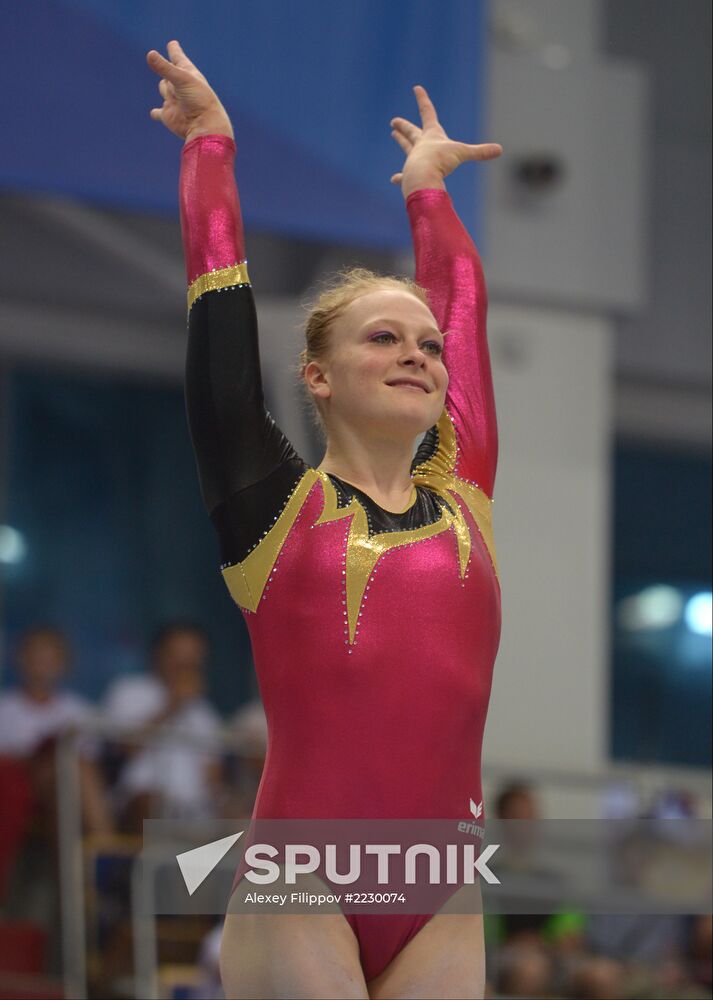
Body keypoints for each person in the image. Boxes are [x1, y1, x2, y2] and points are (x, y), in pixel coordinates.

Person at [147, 39, 503, 999]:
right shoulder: (274, 511)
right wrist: (210, 149)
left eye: (424, 346)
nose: (418, 354)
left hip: (440, 891)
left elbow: (462, 308)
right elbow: (218, 332)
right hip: (300, 879)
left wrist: (428, 193)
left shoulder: (463, 493)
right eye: (381, 338)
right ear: (317, 377)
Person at [0, 626, 112, 900]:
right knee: (65, 767)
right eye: (35, 657)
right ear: (20, 660)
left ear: (63, 664)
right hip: (22, 792)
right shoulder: (5, 708)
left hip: (67, 797)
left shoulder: (79, 711)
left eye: (49, 658)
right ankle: (108, 859)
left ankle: (86, 884)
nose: (41, 666)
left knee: (72, 772)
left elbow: (92, 763)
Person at [101, 621, 224, 830]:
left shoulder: (205, 712)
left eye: (192, 656)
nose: (185, 664)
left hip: (195, 809)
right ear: (158, 654)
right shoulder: (128, 690)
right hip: (140, 799)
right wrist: (173, 705)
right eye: (178, 654)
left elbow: (213, 777)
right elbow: (123, 750)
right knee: (151, 805)